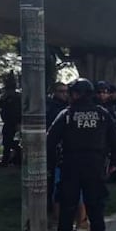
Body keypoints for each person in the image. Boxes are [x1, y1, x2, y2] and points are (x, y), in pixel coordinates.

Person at [47, 78, 116, 231]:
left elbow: (50, 141)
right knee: (95, 208)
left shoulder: (66, 115)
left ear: (75, 94)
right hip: (95, 166)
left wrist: (52, 164)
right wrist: (114, 162)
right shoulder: (102, 114)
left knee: (67, 207)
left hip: (70, 166)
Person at [46, 82, 69, 223]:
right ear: (54, 92)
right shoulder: (51, 107)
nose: (64, 94)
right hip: (54, 148)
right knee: (53, 180)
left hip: (66, 148)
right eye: (61, 91)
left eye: (66, 91)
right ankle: (53, 209)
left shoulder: (67, 107)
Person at [0, 73, 21, 166]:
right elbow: (1, 105)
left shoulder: (17, 97)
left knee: (10, 143)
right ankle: (6, 161)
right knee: (7, 142)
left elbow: (18, 111)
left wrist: (19, 122)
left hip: (15, 123)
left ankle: (13, 159)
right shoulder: (6, 96)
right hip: (8, 122)